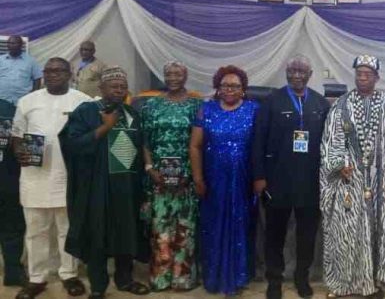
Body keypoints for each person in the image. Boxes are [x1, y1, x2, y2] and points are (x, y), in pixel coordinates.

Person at [59, 66, 150, 298]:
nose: (119, 90)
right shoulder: (87, 111)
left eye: (122, 87)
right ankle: (98, 287)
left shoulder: (132, 113)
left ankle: (125, 280)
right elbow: (72, 144)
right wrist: (105, 127)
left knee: (127, 234)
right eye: (113, 86)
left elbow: (142, 146)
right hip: (97, 187)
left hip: (127, 187)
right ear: (101, 88)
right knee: (97, 236)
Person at [320, 54, 385, 298]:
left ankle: (372, 284)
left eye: (368, 73)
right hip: (349, 179)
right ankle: (343, 284)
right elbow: (331, 138)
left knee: (377, 231)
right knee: (345, 230)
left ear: (377, 77)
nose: (363, 77)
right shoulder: (342, 105)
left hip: (380, 180)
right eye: (359, 73)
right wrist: (339, 164)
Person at [10, 58, 90, 299]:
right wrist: (19, 152)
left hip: (69, 177)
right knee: (36, 230)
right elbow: (16, 135)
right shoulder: (27, 101)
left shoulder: (83, 101)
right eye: (48, 71)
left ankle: (69, 274)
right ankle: (36, 278)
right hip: (35, 177)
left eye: (58, 71)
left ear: (69, 74)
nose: (52, 75)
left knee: (67, 229)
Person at [252, 55, 330, 299]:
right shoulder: (271, 101)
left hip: (310, 183)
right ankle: (274, 280)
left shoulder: (320, 104)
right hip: (277, 181)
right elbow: (257, 142)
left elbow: (331, 144)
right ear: (286, 73)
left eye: (302, 71)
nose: (297, 75)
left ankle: (302, 277)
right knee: (275, 234)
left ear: (310, 75)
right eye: (292, 70)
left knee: (306, 235)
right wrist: (259, 176)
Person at [190, 65, 259, 295]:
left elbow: (262, 146)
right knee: (214, 226)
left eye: (235, 86)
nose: (230, 89)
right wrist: (198, 177)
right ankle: (215, 276)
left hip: (243, 180)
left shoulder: (254, 110)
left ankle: (239, 276)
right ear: (218, 88)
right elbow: (195, 146)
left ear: (243, 89)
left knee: (241, 226)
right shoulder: (206, 110)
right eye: (225, 85)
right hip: (214, 179)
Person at [141, 62, 202, 292]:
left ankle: (182, 278)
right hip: (158, 179)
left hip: (186, 179)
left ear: (186, 76)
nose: (173, 77)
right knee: (160, 229)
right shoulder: (152, 105)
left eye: (177, 73)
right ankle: (160, 277)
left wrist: (190, 173)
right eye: (168, 74)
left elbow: (199, 143)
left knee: (185, 229)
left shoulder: (197, 105)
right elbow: (145, 140)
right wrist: (150, 168)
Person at [0, 98, 26, 288]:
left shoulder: (12, 109)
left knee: (12, 227)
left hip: (8, 179)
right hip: (9, 179)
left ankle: (13, 272)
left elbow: (27, 141)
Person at [0, 35, 42, 105]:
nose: (10, 45)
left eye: (13, 43)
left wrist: (33, 96)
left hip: (22, 101)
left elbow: (37, 79)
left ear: (21, 45)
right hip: (2, 100)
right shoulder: (1, 60)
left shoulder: (31, 61)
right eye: (9, 43)